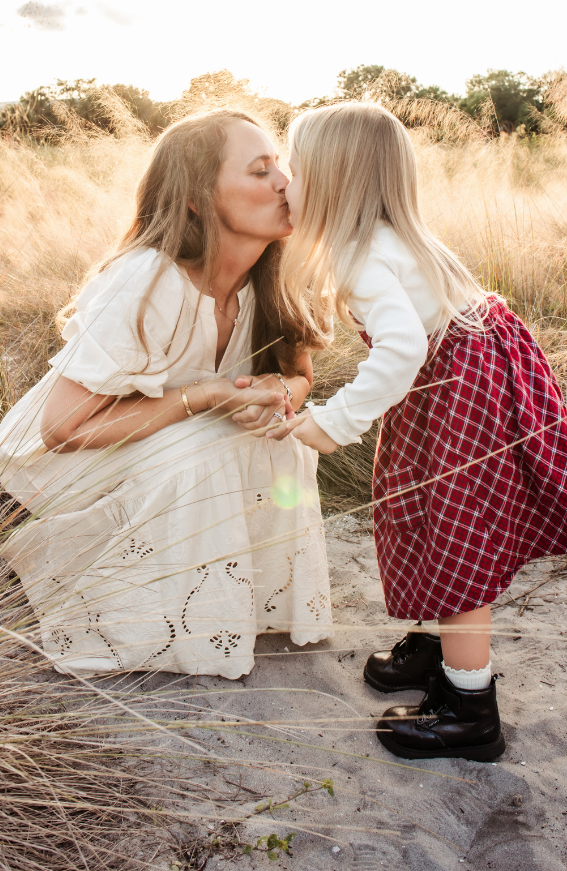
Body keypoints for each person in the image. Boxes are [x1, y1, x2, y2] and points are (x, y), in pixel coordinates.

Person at [268, 101, 567, 760]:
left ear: (332, 180)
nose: (284, 180)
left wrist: (334, 422)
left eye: (294, 167)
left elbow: (398, 351)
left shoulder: (362, 257)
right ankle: (436, 643)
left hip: (461, 391)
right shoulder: (397, 237)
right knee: (424, 505)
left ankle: (469, 708)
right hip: (470, 380)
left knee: (455, 524)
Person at [0, 110, 333, 679]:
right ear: (198, 198)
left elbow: (300, 378)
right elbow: (63, 428)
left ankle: (236, 605)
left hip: (141, 453)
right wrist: (205, 396)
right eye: (260, 170)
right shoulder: (147, 280)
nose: (284, 182)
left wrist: (280, 390)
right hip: (43, 484)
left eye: (280, 165)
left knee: (284, 440)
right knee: (207, 448)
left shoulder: (273, 276)